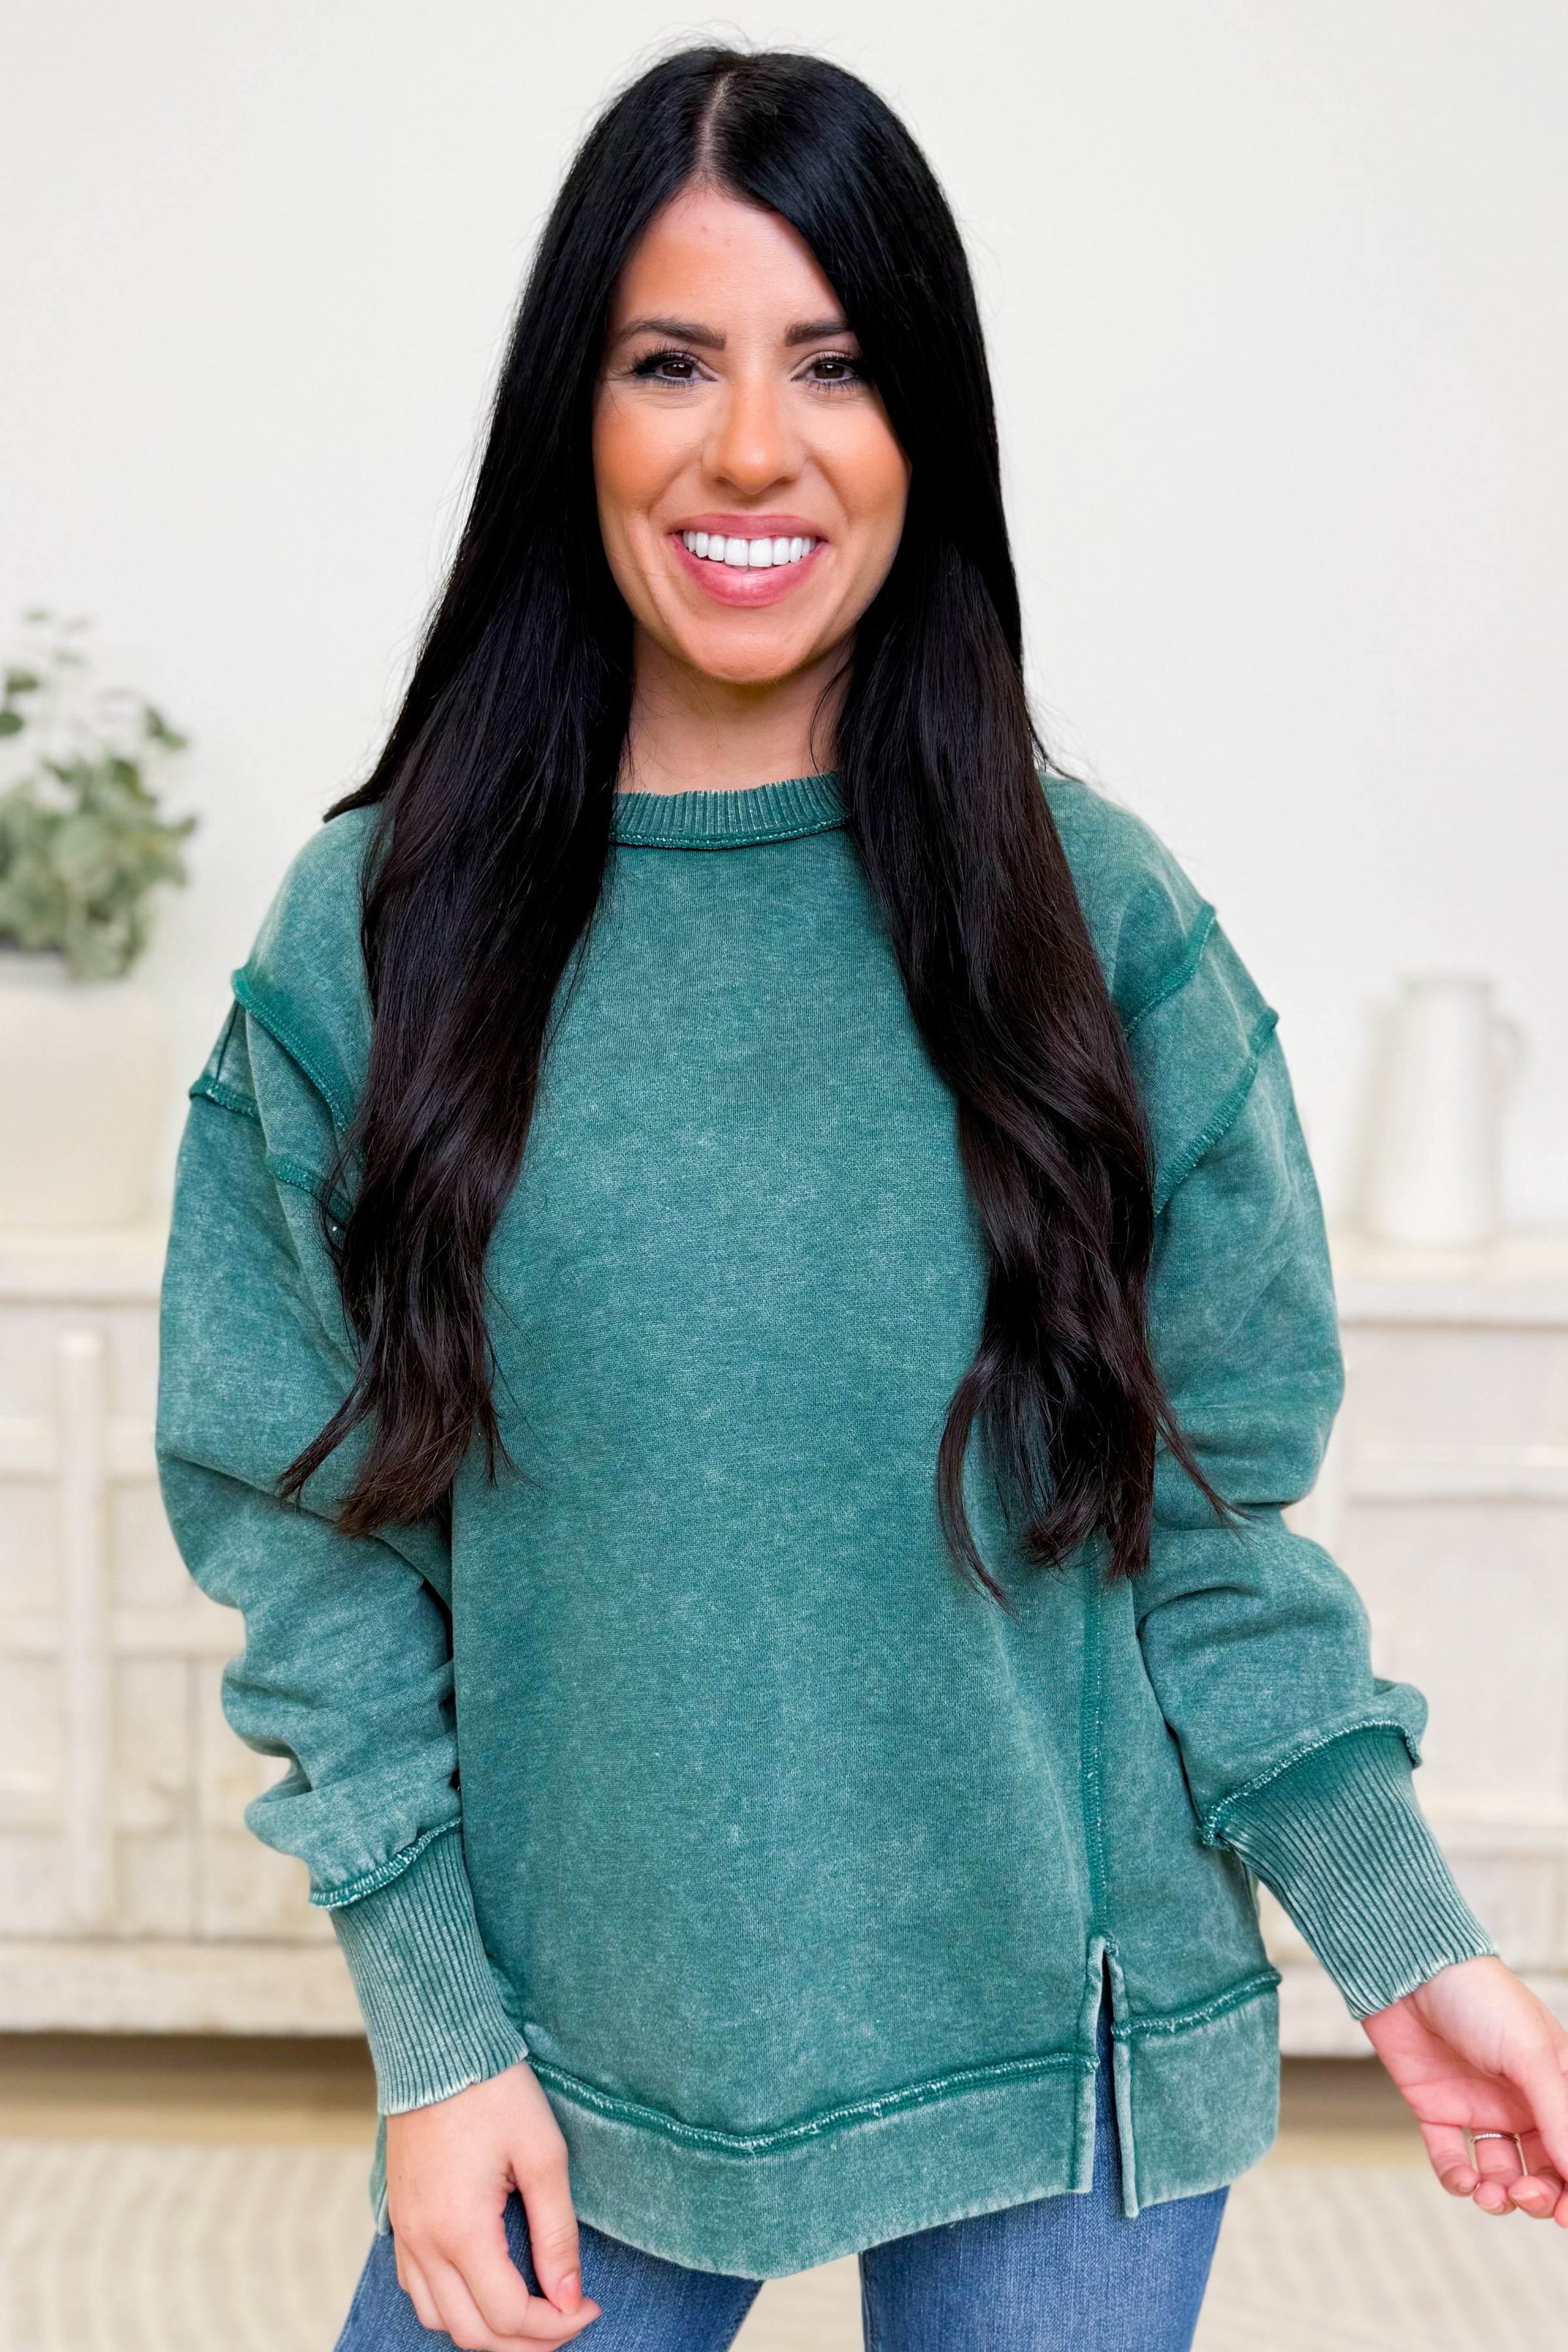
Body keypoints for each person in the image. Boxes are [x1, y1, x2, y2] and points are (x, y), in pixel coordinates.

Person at [155, 46, 1568, 2352]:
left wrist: (1407, 1943)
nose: (751, 449)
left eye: (835, 366)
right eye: (670, 363)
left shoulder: (1100, 924)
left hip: (1071, 2039)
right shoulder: (377, 936)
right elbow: (301, 1529)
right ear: (571, 417)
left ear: (931, 431)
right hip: (581, 2047)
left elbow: (1209, 1526)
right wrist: (435, 2031)